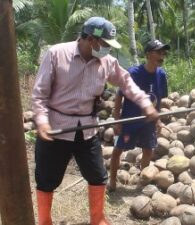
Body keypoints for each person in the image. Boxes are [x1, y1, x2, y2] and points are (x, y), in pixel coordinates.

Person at [32, 17, 159, 225]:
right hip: (56, 128)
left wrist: (146, 104)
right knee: (46, 180)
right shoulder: (57, 54)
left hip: (87, 129)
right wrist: (42, 121)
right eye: (106, 45)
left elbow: (127, 83)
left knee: (98, 175)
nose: (108, 50)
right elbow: (39, 95)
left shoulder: (107, 62)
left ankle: (98, 219)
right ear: (91, 39)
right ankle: (45, 221)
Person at [108, 40, 170, 192]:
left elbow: (158, 99)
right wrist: (117, 120)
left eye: (163, 53)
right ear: (148, 54)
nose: (162, 56)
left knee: (148, 150)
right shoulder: (134, 73)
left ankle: (143, 182)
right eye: (158, 52)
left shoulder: (161, 75)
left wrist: (158, 119)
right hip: (130, 120)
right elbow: (119, 96)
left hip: (148, 122)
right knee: (118, 150)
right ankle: (112, 181)